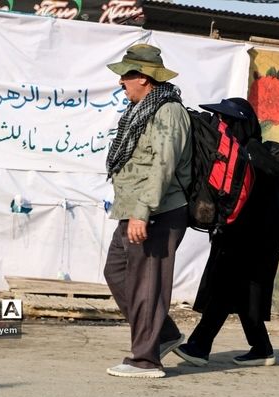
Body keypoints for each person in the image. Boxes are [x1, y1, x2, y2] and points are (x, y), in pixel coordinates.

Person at [174, 97, 279, 367]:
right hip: (252, 240)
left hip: (249, 240)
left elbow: (256, 202)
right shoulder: (247, 152)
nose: (221, 125)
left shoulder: (252, 155)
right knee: (243, 296)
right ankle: (261, 348)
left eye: (227, 120)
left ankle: (199, 347)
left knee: (224, 290)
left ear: (240, 124)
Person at [102, 44, 192, 378]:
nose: (121, 82)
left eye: (126, 75)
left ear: (143, 77)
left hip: (157, 212)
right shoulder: (141, 110)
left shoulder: (168, 111)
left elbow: (162, 165)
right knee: (117, 273)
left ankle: (146, 359)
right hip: (132, 209)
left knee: (148, 285)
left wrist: (143, 212)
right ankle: (164, 334)